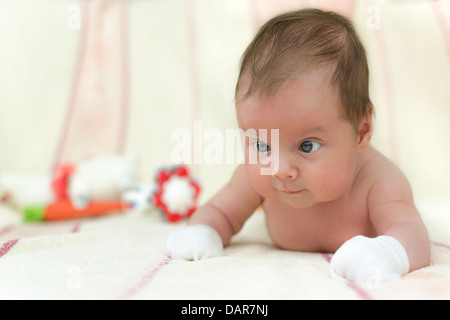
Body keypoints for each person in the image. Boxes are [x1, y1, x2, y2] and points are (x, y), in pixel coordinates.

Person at [166, 8, 430, 283]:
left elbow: (412, 234)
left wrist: (388, 252)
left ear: (361, 132)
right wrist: (204, 230)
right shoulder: (256, 175)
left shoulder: (379, 182)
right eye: (261, 144)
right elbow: (220, 212)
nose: (279, 169)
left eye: (307, 146)